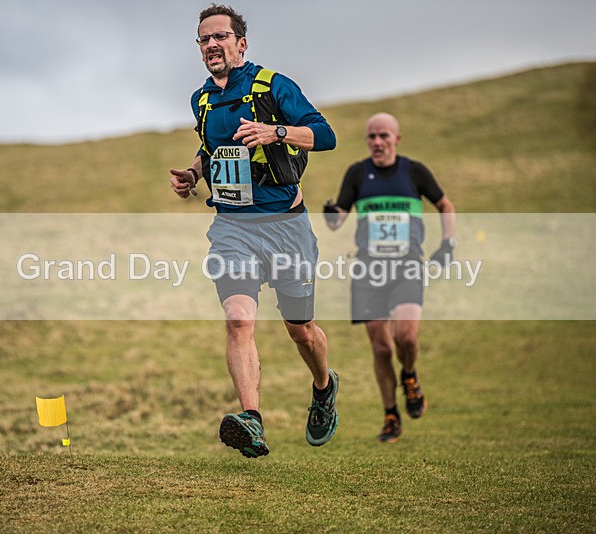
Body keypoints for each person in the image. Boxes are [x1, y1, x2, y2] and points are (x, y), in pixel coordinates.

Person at [169, 4, 339, 458]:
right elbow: (212, 149)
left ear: (241, 43)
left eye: (220, 37)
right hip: (232, 227)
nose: (211, 45)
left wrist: (276, 131)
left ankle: (323, 386)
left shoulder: (272, 85)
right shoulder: (201, 100)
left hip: (286, 227)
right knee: (239, 319)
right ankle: (253, 419)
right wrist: (193, 173)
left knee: (300, 330)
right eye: (204, 39)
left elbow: (325, 135)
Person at [324, 112, 455, 443]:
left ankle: (410, 377)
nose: (377, 142)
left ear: (397, 138)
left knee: (406, 337)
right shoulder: (357, 173)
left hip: (407, 265)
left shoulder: (414, 172)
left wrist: (447, 243)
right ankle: (390, 415)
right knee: (381, 349)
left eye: (383, 136)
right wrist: (331, 215)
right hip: (368, 269)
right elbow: (338, 219)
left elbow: (445, 205)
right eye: (371, 136)